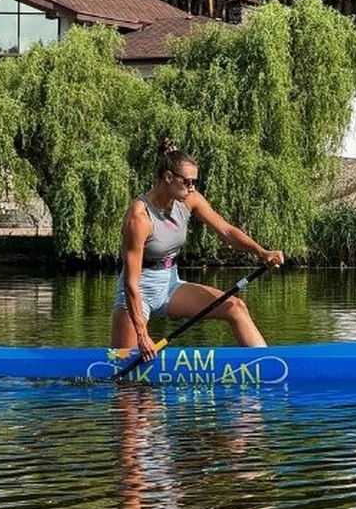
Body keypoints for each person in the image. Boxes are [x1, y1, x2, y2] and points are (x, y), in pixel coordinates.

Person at [111, 138, 284, 361]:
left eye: (195, 182)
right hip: (138, 292)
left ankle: (266, 363)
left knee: (236, 308)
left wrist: (262, 252)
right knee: (124, 363)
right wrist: (143, 336)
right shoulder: (139, 217)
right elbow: (131, 283)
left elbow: (227, 232)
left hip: (170, 285)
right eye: (188, 182)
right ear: (168, 177)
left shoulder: (189, 200)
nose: (193, 188)